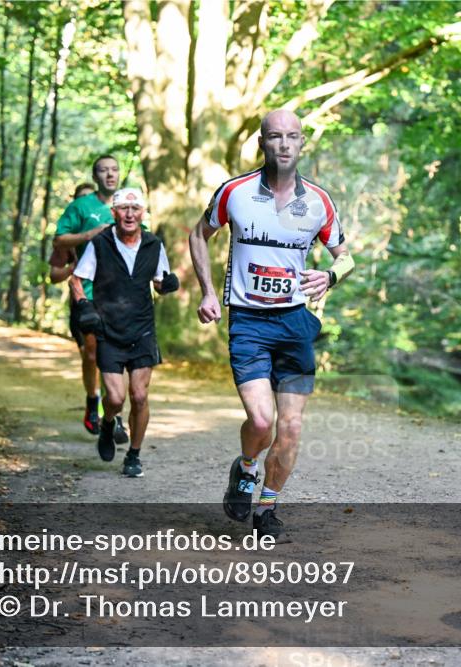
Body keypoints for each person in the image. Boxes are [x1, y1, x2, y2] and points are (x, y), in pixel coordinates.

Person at [189, 109, 354, 538]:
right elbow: (197, 235)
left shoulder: (318, 201)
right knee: (261, 422)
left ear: (302, 144)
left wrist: (331, 275)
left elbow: (346, 256)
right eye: (275, 136)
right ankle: (245, 468)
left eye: (292, 137)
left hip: (296, 324)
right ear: (261, 143)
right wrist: (208, 290)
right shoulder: (235, 192)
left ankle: (267, 508)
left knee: (292, 426)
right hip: (249, 323)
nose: (284, 144)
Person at [70, 187, 179, 477]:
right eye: (123, 208)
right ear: (114, 212)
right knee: (116, 399)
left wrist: (167, 285)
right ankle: (108, 423)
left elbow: (159, 281)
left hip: (142, 330)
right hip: (109, 330)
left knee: (140, 396)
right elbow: (77, 280)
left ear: (143, 213)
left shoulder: (154, 244)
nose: (129, 214)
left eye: (135, 209)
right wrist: (84, 306)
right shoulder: (101, 243)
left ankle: (133, 455)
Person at [53, 159, 128, 442]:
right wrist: (89, 235)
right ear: (95, 176)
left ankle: (115, 415)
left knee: (120, 356)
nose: (110, 174)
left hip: (121, 293)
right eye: (103, 170)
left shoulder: (127, 204)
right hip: (88, 291)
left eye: (114, 169)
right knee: (93, 352)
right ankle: (92, 400)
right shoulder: (80, 208)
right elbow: (59, 240)